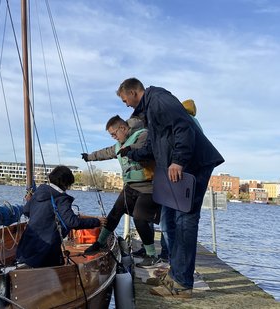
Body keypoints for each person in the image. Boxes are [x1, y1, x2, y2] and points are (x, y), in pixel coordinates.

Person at [116, 77, 224, 298]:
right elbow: (152, 147)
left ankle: (183, 284)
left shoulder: (158, 99)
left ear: (134, 92)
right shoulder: (151, 112)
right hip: (181, 170)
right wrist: (131, 153)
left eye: (125, 99)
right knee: (171, 221)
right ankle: (176, 274)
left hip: (193, 166)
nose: (126, 104)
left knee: (185, 221)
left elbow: (184, 128)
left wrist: (178, 160)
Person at [82, 116, 162, 268]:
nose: (114, 137)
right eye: (111, 135)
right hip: (131, 186)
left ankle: (152, 255)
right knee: (115, 213)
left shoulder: (143, 135)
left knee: (139, 218)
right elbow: (105, 152)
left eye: (114, 134)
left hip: (148, 187)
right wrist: (89, 157)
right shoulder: (118, 145)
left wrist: (130, 149)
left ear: (123, 128)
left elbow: (144, 149)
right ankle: (100, 243)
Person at [16, 165, 107, 268]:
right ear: (64, 183)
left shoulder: (39, 192)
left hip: (27, 245)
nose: (68, 188)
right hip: (46, 250)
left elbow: (26, 210)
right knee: (57, 271)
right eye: (69, 185)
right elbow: (72, 222)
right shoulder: (61, 198)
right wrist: (97, 222)